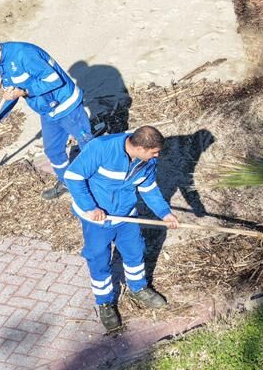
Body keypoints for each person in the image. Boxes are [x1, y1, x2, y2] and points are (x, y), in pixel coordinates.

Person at [62, 126, 177, 334]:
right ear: (140, 148)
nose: (157, 155)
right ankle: (105, 303)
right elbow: (73, 177)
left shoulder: (147, 161)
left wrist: (164, 213)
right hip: (97, 219)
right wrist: (90, 207)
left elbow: (148, 188)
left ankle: (138, 287)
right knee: (99, 259)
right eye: (154, 152)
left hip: (126, 215)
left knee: (135, 251)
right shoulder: (101, 148)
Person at [0, 34, 93, 200]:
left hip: (66, 106)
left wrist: (25, 91)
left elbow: (54, 79)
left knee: (89, 146)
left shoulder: (23, 54)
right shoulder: (3, 63)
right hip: (47, 111)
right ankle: (67, 183)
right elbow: (11, 94)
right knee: (53, 150)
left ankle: (101, 184)